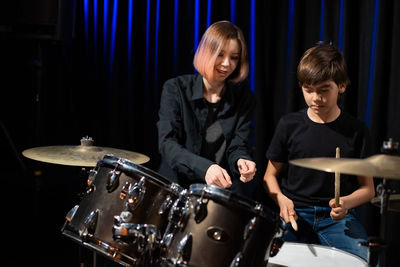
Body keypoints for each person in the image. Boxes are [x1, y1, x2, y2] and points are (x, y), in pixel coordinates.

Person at [263, 42, 375, 261]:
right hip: (296, 213)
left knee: (362, 259)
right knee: (269, 258)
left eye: (324, 90)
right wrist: (281, 200)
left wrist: (345, 203)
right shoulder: (289, 125)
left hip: (337, 220)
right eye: (308, 90)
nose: (316, 98)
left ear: (341, 86)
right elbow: (269, 175)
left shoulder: (356, 131)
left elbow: (368, 189)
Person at [157, 21, 256, 196]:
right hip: (174, 188)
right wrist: (206, 168)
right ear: (206, 53)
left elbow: (238, 144)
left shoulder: (245, 98)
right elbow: (167, 144)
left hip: (217, 192)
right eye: (220, 54)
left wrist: (242, 160)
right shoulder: (175, 88)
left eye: (234, 57)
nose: (226, 64)